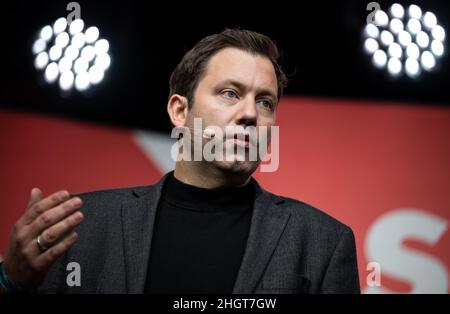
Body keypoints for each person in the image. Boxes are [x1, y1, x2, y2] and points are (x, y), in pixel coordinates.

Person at [0, 29, 360, 294]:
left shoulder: (323, 243)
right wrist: (11, 283)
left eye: (265, 102)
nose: (250, 113)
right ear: (179, 110)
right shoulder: (82, 227)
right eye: (230, 93)